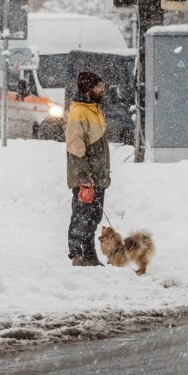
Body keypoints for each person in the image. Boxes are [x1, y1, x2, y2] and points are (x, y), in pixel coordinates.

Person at [66, 70, 110, 266]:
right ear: (87, 89)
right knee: (82, 215)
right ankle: (77, 255)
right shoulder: (79, 111)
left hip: (97, 174)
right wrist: (83, 173)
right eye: (98, 86)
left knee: (93, 216)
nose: (102, 89)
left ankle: (90, 255)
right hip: (86, 175)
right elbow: (75, 144)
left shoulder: (94, 108)